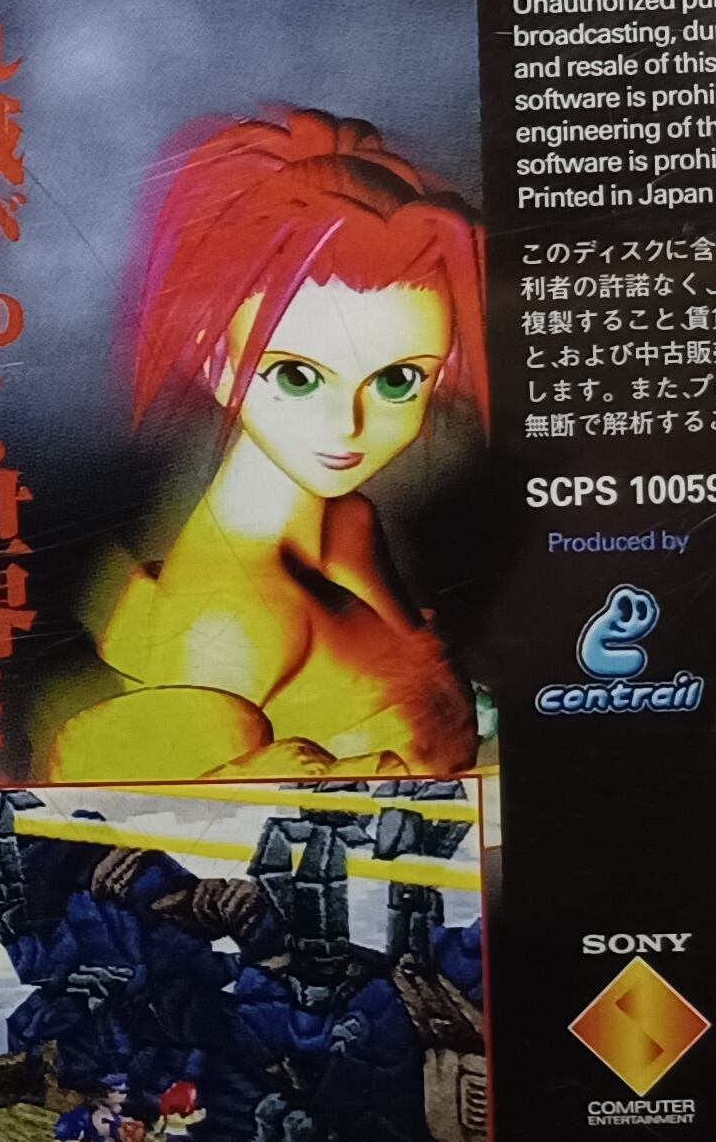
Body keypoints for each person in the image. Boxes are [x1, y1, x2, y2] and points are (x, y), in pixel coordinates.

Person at [31, 110, 486, 783]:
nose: (348, 425)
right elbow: (191, 838)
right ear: (216, 360)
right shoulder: (228, 622)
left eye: (397, 380)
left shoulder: (348, 521)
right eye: (298, 377)